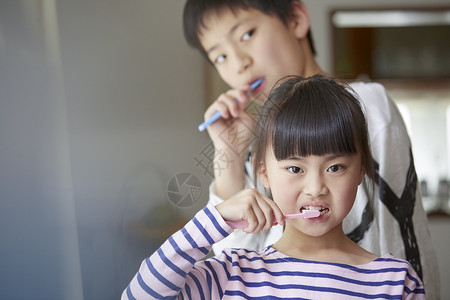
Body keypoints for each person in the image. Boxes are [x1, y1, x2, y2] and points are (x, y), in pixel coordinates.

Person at [182, 0, 439, 298]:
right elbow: (239, 273)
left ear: (296, 18)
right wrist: (230, 154)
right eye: (221, 56)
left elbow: (405, 241)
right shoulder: (259, 145)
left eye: (247, 34)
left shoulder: (369, 106)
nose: (239, 63)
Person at [122, 75, 425, 299]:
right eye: (295, 168)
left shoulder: (395, 280)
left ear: (361, 170)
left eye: (335, 167)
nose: (316, 188)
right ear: (263, 174)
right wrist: (214, 220)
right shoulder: (231, 274)